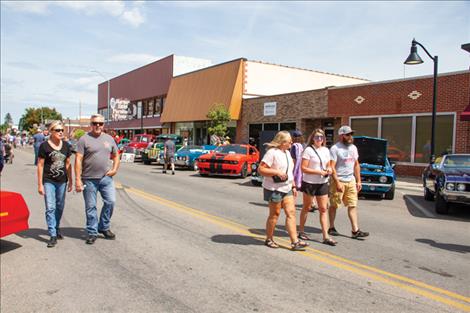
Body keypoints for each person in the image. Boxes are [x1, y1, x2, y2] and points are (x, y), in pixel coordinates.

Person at [258, 130, 308, 251]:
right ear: (281, 142)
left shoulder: (287, 153)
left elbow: (289, 172)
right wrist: (277, 172)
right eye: (289, 141)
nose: (291, 143)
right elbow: (261, 169)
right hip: (274, 188)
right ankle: (269, 238)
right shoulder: (272, 153)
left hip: (287, 187)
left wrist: (294, 185)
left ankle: (294, 241)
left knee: (291, 213)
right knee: (274, 214)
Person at [75, 114, 120, 245]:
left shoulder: (109, 139)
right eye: (95, 123)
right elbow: (78, 159)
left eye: (100, 123)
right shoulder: (84, 139)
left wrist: (115, 169)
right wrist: (78, 179)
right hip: (88, 179)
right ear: (91, 124)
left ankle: (104, 227)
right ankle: (92, 232)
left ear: (103, 125)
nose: (97, 126)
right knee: (91, 207)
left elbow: (116, 155)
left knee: (110, 202)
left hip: (106, 178)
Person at [328, 126, 369, 239]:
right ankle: (331, 227)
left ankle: (355, 230)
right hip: (338, 180)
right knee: (334, 205)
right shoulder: (335, 148)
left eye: (351, 134)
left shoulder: (353, 148)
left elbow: (356, 165)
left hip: (350, 180)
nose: (350, 137)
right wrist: (337, 182)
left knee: (352, 205)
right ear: (341, 136)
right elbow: (332, 167)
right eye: (348, 134)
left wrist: (358, 180)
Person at [37, 121, 73, 248]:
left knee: (60, 206)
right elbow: (40, 165)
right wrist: (40, 184)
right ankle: (52, 234)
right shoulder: (44, 146)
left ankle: (56, 228)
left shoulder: (67, 146)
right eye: (57, 130)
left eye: (62, 130)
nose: (60, 132)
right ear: (51, 132)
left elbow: (68, 164)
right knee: (50, 207)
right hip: (49, 181)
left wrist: (71, 181)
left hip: (62, 181)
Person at [298, 129, 336, 245]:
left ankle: (326, 236)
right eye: (317, 137)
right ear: (312, 138)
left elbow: (329, 164)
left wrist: (329, 169)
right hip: (310, 182)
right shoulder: (308, 150)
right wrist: (319, 172)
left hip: (322, 183)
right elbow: (303, 168)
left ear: (324, 139)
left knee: (323, 209)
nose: (319, 139)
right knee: (307, 207)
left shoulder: (326, 150)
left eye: (321, 137)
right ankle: (301, 231)